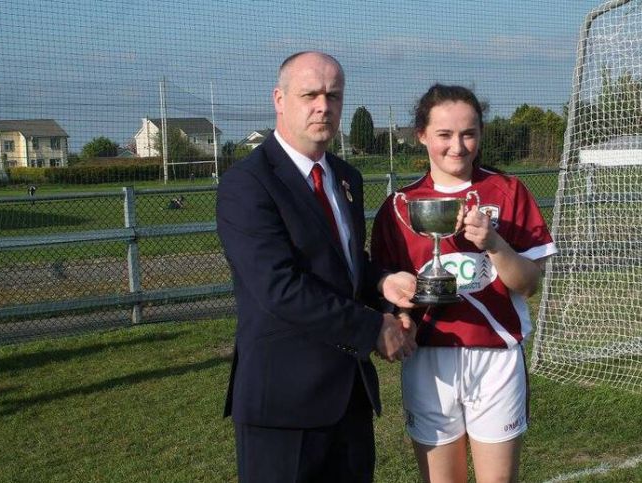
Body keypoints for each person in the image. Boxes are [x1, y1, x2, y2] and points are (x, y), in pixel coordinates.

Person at [216, 51, 418, 482]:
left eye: (334, 95)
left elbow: (343, 266)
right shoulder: (246, 184)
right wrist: (372, 328)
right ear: (279, 98)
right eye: (310, 94)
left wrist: (384, 283)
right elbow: (280, 288)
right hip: (283, 406)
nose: (323, 106)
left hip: (349, 399)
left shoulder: (346, 177)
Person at [371, 84, 558, 483]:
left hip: (496, 357)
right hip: (428, 360)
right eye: (444, 134)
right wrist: (400, 305)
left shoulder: (507, 192)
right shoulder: (400, 207)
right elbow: (385, 288)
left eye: (468, 133)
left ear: (481, 135)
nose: (457, 146)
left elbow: (529, 284)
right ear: (421, 134)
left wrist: (494, 244)